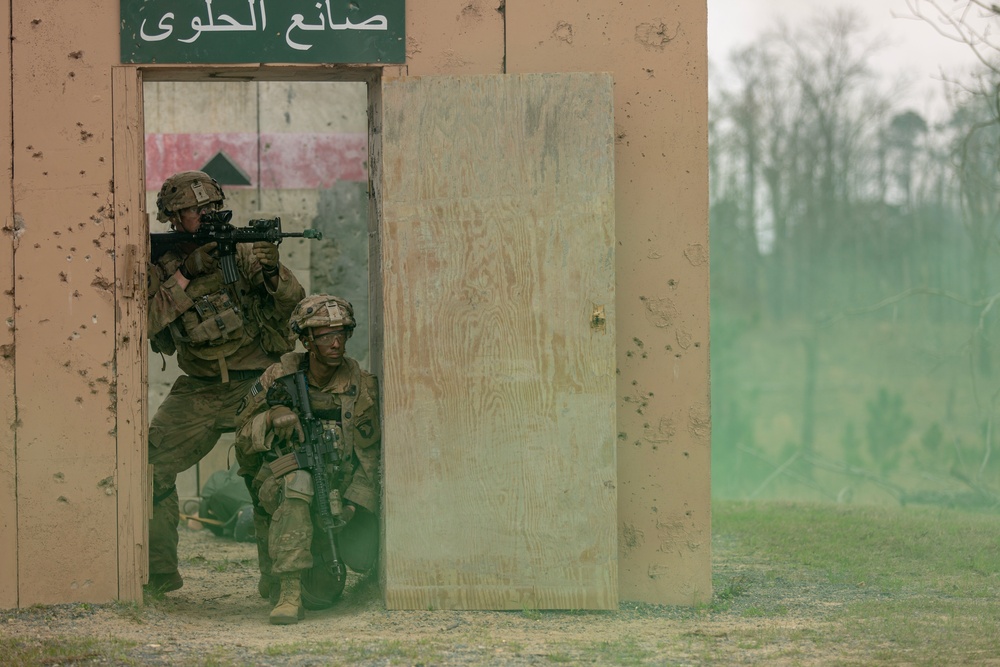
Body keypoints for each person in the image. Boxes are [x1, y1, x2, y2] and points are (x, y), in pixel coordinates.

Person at [146, 170, 305, 593]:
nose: (209, 215)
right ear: (175, 218)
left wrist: (273, 274)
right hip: (198, 388)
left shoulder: (243, 250)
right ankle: (159, 573)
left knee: (274, 474)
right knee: (147, 470)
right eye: (198, 211)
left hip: (254, 385)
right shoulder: (158, 263)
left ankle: (280, 581)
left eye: (214, 207)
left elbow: (294, 306)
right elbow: (145, 321)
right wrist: (186, 272)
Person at [233, 294, 381, 625]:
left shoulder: (360, 386)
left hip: (336, 492)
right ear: (306, 340)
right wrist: (272, 416)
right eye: (325, 335)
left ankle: (287, 571)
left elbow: (370, 458)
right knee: (297, 484)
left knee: (330, 589)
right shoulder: (277, 377)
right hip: (284, 481)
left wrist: (354, 504)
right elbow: (241, 433)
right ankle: (288, 592)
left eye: (342, 333)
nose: (336, 342)